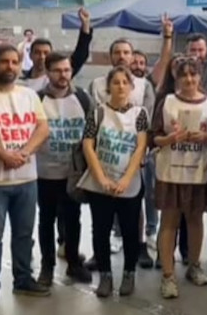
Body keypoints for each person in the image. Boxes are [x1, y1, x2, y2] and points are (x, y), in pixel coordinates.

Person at [0, 44, 51, 311]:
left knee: (24, 234)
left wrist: (25, 152)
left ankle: (23, 279)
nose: (10, 67)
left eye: (15, 62)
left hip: (27, 180)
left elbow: (42, 127)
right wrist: (4, 155)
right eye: (4, 61)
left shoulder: (29, 95)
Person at [77, 66, 149, 298]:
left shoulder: (140, 114)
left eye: (124, 82)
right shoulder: (98, 113)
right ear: (108, 86)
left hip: (129, 183)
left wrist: (126, 179)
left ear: (131, 86)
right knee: (100, 230)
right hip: (101, 184)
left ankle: (129, 273)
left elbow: (140, 147)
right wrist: (101, 178)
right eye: (115, 82)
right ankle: (105, 275)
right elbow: (88, 146)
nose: (120, 86)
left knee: (130, 231)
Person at [152, 57, 207, 298]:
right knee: (169, 221)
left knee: (195, 220)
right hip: (171, 171)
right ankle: (168, 275)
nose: (189, 79)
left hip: (198, 171)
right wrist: (171, 139)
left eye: (193, 74)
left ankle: (194, 265)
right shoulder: (167, 102)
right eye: (184, 75)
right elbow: (154, 137)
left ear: (200, 76)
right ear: (176, 78)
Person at [34, 52, 93, 286]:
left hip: (73, 173)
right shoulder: (37, 99)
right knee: (46, 219)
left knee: (73, 219)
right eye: (57, 70)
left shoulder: (83, 98)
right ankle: (47, 266)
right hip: (45, 172)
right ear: (47, 72)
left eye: (67, 70)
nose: (63, 75)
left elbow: (93, 131)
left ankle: (73, 263)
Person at [20, 8, 92, 91]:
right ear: (30, 55)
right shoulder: (21, 82)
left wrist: (85, 25)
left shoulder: (59, 77)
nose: (42, 57)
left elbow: (81, 55)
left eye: (46, 53)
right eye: (37, 53)